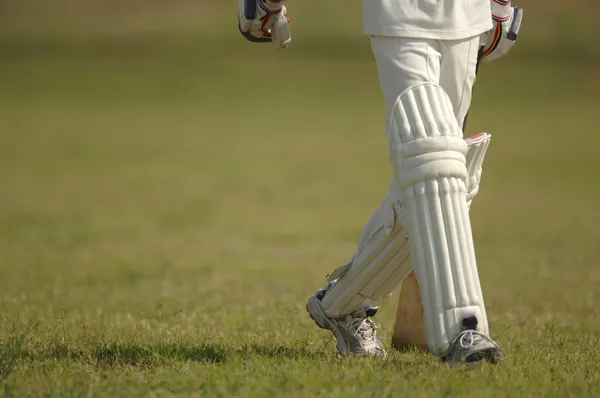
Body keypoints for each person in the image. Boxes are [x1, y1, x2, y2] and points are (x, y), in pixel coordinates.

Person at [238, 0, 522, 365]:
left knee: (441, 180)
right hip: (400, 14)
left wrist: (499, 5)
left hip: (468, 17)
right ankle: (464, 331)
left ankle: (342, 305)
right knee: (432, 156)